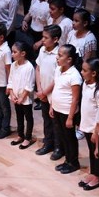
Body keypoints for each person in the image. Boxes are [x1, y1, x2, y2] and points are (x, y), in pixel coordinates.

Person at [51, 44, 83, 174]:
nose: (57, 57)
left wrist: (70, 117)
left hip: (67, 112)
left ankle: (73, 162)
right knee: (62, 137)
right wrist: (52, 106)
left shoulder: (74, 75)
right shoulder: (58, 70)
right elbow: (56, 88)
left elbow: (75, 99)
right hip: (58, 109)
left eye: (60, 55)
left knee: (70, 138)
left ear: (69, 59)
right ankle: (67, 160)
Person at [78, 58, 99, 191]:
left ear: (94, 73)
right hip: (87, 124)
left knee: (97, 153)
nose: (82, 72)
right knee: (91, 151)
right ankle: (93, 172)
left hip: (95, 128)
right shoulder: (85, 84)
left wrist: (96, 131)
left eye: (84, 70)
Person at [34, 24, 61, 158]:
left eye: (46, 37)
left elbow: (57, 78)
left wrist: (45, 92)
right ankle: (48, 143)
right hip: (43, 92)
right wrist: (39, 89)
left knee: (55, 122)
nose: (43, 40)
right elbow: (38, 68)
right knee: (46, 120)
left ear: (55, 39)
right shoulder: (42, 50)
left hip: (54, 94)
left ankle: (58, 147)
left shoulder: (59, 55)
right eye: (42, 37)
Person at [7, 41, 36, 149]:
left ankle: (28, 138)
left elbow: (29, 85)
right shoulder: (13, 65)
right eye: (12, 52)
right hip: (16, 97)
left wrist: (22, 97)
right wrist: (12, 93)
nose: (12, 54)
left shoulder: (29, 67)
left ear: (23, 53)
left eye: (14, 52)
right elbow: (10, 80)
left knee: (28, 117)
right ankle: (20, 135)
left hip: (25, 98)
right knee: (19, 116)